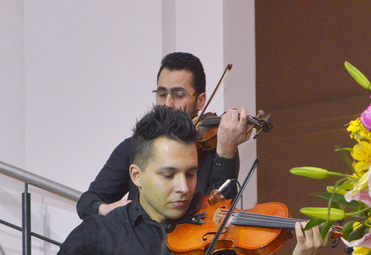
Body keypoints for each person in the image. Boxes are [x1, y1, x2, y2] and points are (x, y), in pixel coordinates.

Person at [25, 105, 323, 255]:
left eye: (191, 173)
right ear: (136, 175)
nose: (184, 188)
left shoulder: (217, 229)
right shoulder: (100, 233)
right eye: (168, 175)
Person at [76, 52, 252, 219]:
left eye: (179, 95)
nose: (168, 103)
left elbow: (218, 215)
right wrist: (106, 209)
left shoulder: (219, 147)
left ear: (200, 101)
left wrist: (226, 153)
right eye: (162, 94)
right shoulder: (135, 146)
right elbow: (86, 202)